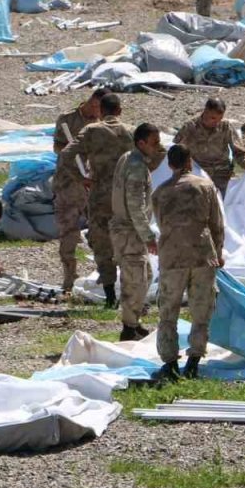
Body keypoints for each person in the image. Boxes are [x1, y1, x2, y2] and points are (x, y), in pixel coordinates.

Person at [151, 144, 225, 383]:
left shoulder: (160, 192)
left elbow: (161, 223)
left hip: (172, 257)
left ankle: (170, 363)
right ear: (189, 161)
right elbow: (216, 224)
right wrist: (218, 252)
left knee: (168, 312)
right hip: (202, 255)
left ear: (170, 164)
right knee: (201, 310)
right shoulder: (205, 187)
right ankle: (194, 361)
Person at [58, 92, 132, 308]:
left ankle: (110, 295)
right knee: (128, 242)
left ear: (101, 111)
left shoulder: (91, 131)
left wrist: (80, 178)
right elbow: (155, 154)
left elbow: (66, 154)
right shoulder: (131, 131)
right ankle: (130, 293)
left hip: (99, 195)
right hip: (124, 195)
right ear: (119, 110)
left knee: (102, 243)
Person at [109, 123, 164, 341]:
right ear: (141, 143)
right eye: (154, 143)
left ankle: (134, 321)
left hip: (128, 230)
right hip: (129, 232)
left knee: (144, 276)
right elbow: (135, 207)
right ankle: (128, 328)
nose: (158, 147)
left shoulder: (128, 158)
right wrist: (148, 237)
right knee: (135, 280)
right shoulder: (137, 167)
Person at [52, 88, 108, 293]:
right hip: (68, 184)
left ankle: (106, 275)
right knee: (68, 230)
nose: (95, 111)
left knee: (100, 230)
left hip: (93, 184)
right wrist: (72, 149)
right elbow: (57, 147)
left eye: (99, 108)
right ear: (89, 101)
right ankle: (69, 277)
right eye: (94, 106)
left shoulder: (103, 124)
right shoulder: (67, 120)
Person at [174, 97, 245, 196]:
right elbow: (175, 152)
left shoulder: (225, 126)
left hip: (222, 174)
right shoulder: (190, 127)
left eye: (220, 119)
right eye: (213, 118)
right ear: (205, 112)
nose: (216, 122)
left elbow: (239, 152)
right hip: (199, 174)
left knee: (227, 200)